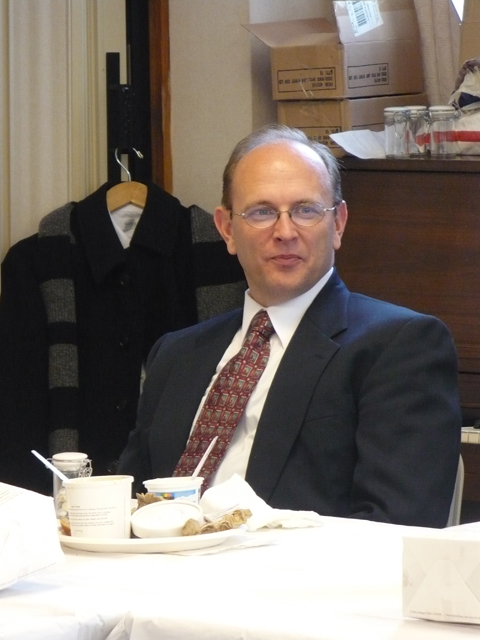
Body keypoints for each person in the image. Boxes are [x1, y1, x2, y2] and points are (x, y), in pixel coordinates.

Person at [118, 124, 461, 528]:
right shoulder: (175, 355)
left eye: (306, 210)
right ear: (227, 229)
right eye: (262, 212)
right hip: (154, 563)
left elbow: (397, 527)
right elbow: (129, 506)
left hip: (295, 567)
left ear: (338, 224)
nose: (284, 232)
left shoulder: (399, 346)